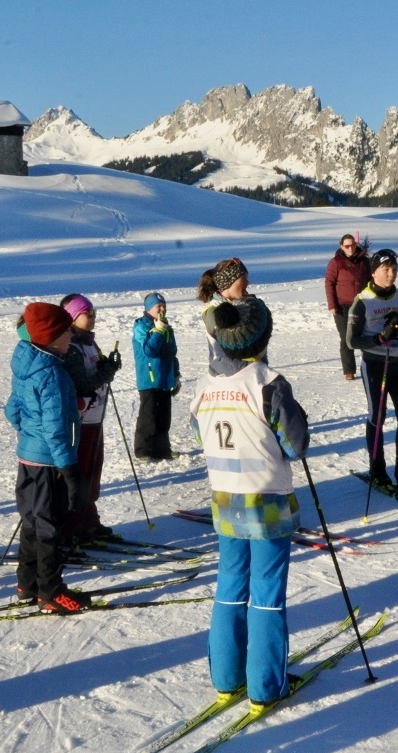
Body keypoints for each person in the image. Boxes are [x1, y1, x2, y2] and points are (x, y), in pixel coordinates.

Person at [189, 296, 309, 710]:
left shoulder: (205, 386)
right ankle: (264, 685)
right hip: (267, 500)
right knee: (266, 594)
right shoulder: (267, 383)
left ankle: (226, 678)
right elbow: (295, 446)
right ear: (262, 338)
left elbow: (198, 435)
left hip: (225, 499)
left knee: (229, 588)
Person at [5, 303, 90, 615]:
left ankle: (26, 584)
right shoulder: (52, 373)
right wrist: (69, 469)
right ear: (53, 337)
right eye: (66, 330)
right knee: (49, 525)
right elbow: (57, 428)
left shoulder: (26, 361)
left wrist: (29, 435)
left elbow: (13, 409)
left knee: (31, 520)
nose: (70, 334)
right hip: (49, 461)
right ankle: (50, 592)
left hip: (28, 457)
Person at [347, 249, 398, 489]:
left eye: (395, 269)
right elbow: (351, 341)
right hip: (374, 365)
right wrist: (378, 338)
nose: (391, 274)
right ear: (374, 272)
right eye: (386, 269)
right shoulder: (363, 300)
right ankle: (377, 471)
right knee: (377, 418)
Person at [58, 294, 121, 543]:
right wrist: (107, 371)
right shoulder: (71, 346)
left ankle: (88, 520)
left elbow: (94, 373)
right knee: (80, 474)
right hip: (80, 422)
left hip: (95, 419)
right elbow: (82, 384)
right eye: (87, 312)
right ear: (73, 316)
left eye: (93, 311)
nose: (93, 316)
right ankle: (72, 525)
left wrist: (107, 364)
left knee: (93, 472)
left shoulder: (89, 343)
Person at [132, 292, 180, 461]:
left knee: (163, 417)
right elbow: (149, 351)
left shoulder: (166, 327)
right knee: (149, 415)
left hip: (165, 378)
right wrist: (158, 331)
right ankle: (142, 449)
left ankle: (162, 449)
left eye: (164, 305)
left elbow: (172, 353)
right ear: (148, 308)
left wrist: (176, 374)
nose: (162, 309)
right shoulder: (141, 326)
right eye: (158, 306)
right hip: (149, 379)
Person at [199, 258, 266, 375]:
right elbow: (224, 354)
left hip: (251, 374)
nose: (248, 282)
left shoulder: (245, 305)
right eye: (243, 278)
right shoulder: (213, 312)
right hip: (226, 378)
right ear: (228, 282)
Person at [325, 234, 371, 380]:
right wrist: (332, 304)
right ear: (341, 246)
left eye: (352, 245)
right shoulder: (335, 262)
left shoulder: (364, 261)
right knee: (346, 337)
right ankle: (349, 370)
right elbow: (329, 283)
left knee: (365, 334)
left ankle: (369, 364)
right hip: (342, 305)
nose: (350, 248)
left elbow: (371, 280)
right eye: (347, 246)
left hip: (361, 303)